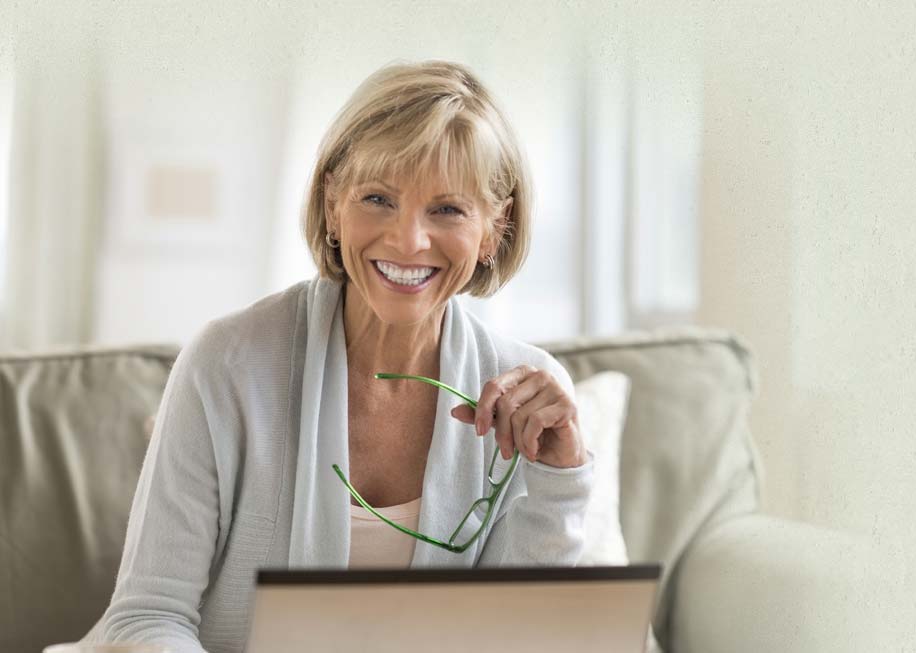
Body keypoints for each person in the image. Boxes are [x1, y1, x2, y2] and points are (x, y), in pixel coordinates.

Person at [83, 60, 594, 653]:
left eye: (448, 210)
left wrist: (562, 478)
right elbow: (147, 616)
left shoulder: (525, 395)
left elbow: (516, 635)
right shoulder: (224, 364)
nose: (408, 241)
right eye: (377, 198)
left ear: (493, 230)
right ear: (332, 206)